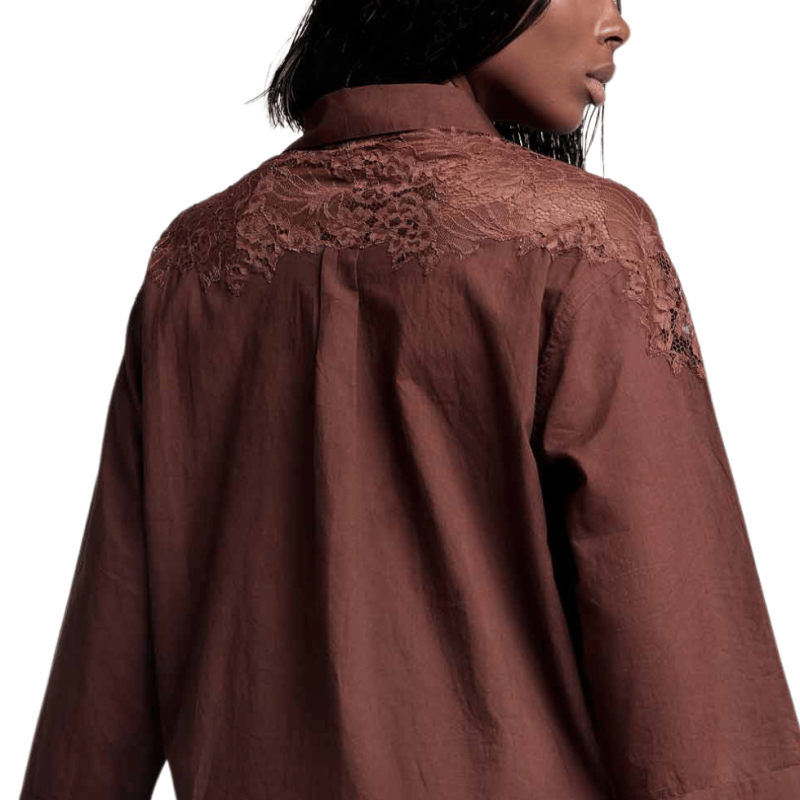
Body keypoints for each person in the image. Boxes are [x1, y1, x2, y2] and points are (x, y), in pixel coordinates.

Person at [18, 1, 800, 799]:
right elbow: (692, 681)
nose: (617, 23)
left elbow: (104, 678)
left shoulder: (193, 260)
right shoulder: (580, 242)